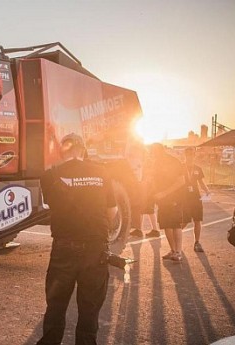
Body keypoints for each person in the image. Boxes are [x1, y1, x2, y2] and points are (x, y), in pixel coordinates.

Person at [38, 133, 118, 345]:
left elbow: (53, 206)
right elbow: (112, 210)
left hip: (64, 248)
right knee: (89, 308)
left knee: (55, 305)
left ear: (62, 152)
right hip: (96, 249)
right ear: (83, 150)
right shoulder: (103, 173)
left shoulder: (50, 175)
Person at [148, 144, 187, 261]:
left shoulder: (173, 162)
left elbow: (181, 181)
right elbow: (154, 179)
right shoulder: (156, 163)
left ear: (160, 151)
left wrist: (165, 193)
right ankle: (173, 250)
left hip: (174, 198)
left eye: (153, 153)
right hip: (162, 200)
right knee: (166, 225)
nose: (152, 155)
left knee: (175, 224)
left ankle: (178, 252)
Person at [183, 147, 211, 252]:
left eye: (192, 154)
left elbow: (201, 182)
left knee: (197, 220)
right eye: (188, 154)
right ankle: (176, 237)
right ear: (185, 155)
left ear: (194, 155)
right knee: (184, 221)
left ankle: (197, 242)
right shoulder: (180, 167)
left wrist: (207, 191)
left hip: (196, 197)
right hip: (184, 198)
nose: (190, 156)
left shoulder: (198, 168)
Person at [130, 148, 161, 238]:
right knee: (141, 208)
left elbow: (149, 175)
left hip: (148, 187)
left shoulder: (148, 162)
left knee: (149, 208)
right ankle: (139, 229)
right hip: (145, 186)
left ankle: (155, 230)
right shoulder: (145, 161)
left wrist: (148, 186)